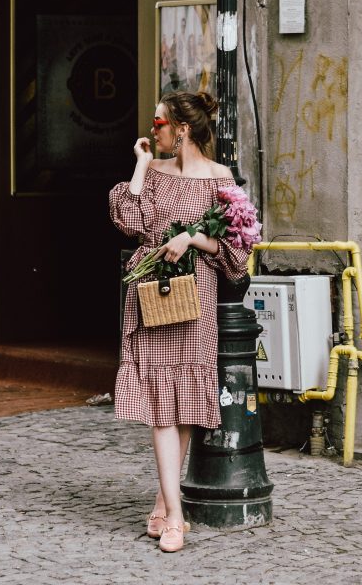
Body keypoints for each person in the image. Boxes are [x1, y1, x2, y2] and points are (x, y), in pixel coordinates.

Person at [109, 91, 251, 553]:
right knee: (160, 405)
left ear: (183, 130)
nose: (154, 131)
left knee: (184, 401)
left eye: (160, 124)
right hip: (154, 297)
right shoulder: (152, 172)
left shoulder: (221, 179)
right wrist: (139, 163)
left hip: (196, 299)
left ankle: (163, 502)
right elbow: (128, 220)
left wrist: (192, 238)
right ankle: (174, 514)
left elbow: (236, 251)